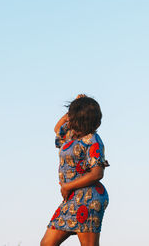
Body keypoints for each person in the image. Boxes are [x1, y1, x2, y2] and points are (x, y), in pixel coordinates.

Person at [40, 94, 110, 246]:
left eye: (72, 115)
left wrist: (67, 186)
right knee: (47, 243)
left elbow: (97, 173)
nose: (69, 118)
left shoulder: (93, 141)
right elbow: (57, 128)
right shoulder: (72, 137)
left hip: (89, 198)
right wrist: (73, 109)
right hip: (71, 198)